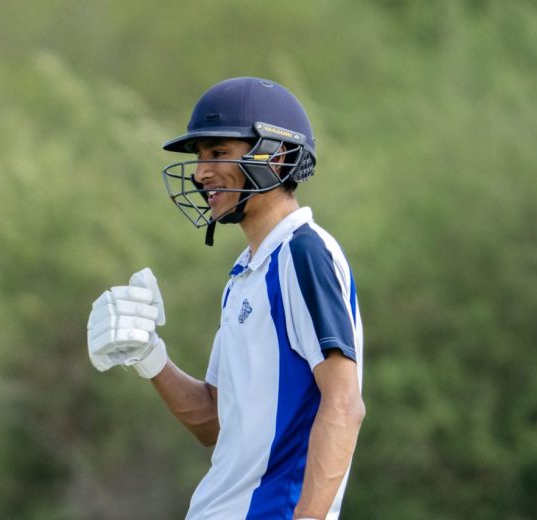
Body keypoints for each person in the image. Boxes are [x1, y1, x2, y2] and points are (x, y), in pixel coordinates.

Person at [85, 77, 364, 519]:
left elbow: (344, 404)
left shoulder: (302, 251)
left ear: (277, 155)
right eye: (199, 158)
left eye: (218, 153)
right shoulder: (243, 275)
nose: (200, 173)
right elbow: (213, 420)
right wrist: (148, 355)